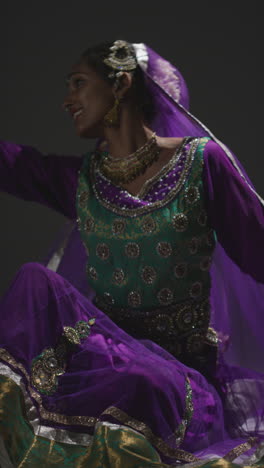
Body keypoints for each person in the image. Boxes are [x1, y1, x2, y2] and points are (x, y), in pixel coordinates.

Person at [0, 39, 263, 468]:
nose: (67, 100)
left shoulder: (202, 163)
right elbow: (12, 165)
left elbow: (259, 250)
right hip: (111, 361)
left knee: (145, 380)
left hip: (176, 380)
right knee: (35, 280)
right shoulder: (84, 180)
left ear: (120, 83)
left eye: (79, 83)